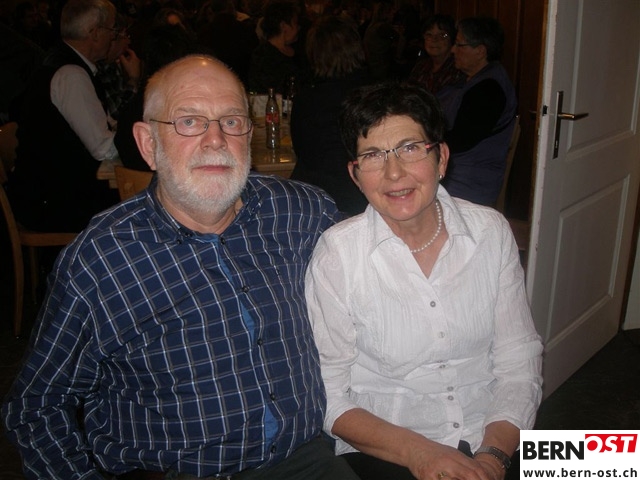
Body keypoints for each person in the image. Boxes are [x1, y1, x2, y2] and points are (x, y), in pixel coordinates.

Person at [2, 55, 361, 480]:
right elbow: (37, 406)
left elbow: (384, 268)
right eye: (190, 122)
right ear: (148, 144)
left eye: (231, 121)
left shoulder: (301, 213)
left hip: (306, 458)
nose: (216, 140)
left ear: (249, 134)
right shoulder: (103, 259)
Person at [305, 81, 543, 480]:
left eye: (410, 148)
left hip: (496, 433)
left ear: (441, 158)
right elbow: (328, 393)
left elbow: (518, 359)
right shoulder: (338, 255)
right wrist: (422, 455)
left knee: (616, 461)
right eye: (373, 155)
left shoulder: (490, 231)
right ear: (355, 175)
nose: (394, 172)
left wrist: (492, 458)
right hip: (392, 448)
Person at [7, 0, 121, 233]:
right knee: (136, 204)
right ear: (94, 33)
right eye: (112, 29)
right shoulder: (71, 74)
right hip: (51, 203)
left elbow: (103, 125)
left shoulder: (63, 63)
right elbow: (103, 148)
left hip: (47, 192)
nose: (114, 36)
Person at [290, 15, 370, 216]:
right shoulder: (374, 94)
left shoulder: (307, 99)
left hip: (314, 199)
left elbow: (301, 150)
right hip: (362, 195)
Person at [440, 16, 517, 206]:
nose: (453, 50)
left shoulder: (489, 90)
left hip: (469, 179)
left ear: (481, 51)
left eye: (459, 45)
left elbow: (460, 141)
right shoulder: (470, 78)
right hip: (454, 169)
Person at [248, 0, 307, 94]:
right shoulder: (263, 56)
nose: (298, 28)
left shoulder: (298, 50)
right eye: (295, 23)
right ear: (283, 26)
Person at [408, 14, 464, 96]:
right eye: (429, 35)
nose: (434, 40)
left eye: (442, 35)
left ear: (452, 39)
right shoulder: (420, 66)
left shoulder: (457, 70)